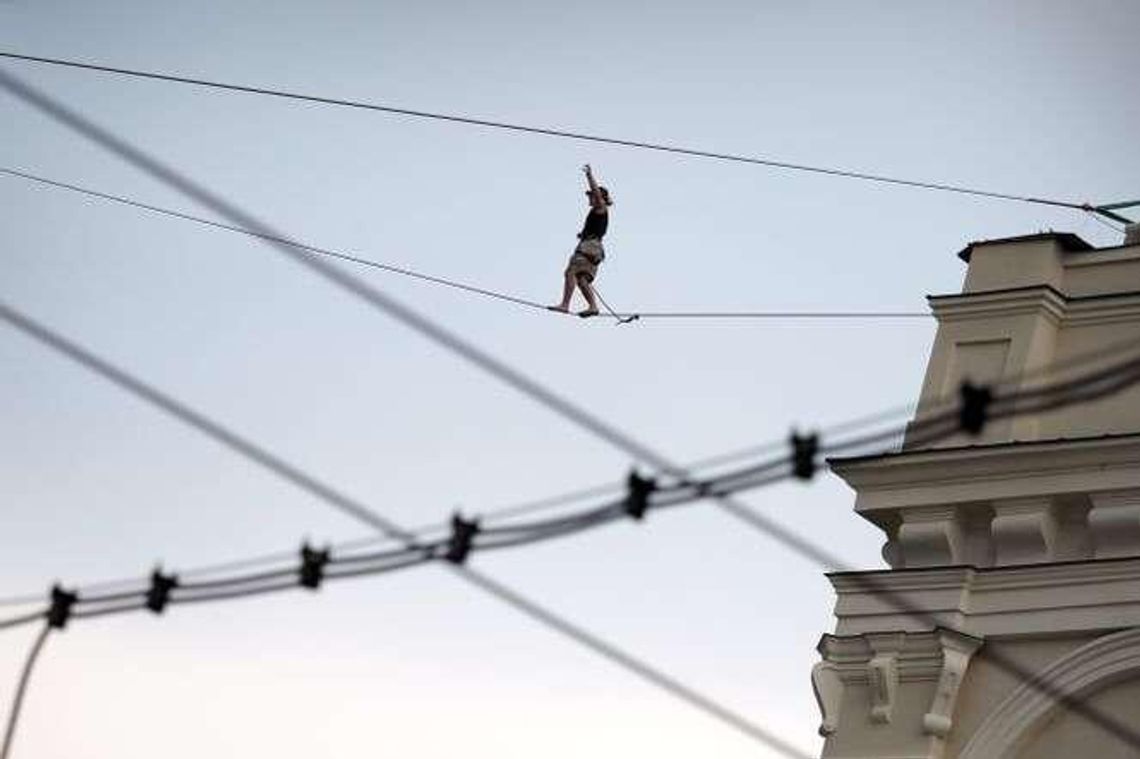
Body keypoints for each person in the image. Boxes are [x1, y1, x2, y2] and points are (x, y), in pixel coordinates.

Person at [548, 164, 612, 318]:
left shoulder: (600, 208)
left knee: (571, 272)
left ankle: (565, 304)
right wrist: (582, 234)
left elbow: (597, 195)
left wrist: (589, 176)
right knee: (582, 279)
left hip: (590, 247)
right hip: (595, 248)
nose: (589, 198)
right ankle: (593, 306)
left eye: (591, 195)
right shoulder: (598, 213)